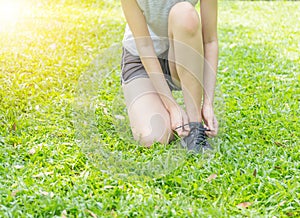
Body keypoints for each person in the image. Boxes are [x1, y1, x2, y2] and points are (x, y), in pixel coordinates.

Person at [120, 0, 219, 152]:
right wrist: (172, 106)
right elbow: (144, 45)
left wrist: (208, 103)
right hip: (141, 60)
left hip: (183, 56)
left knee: (184, 12)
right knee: (153, 138)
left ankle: (195, 127)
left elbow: (210, 41)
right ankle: (165, 109)